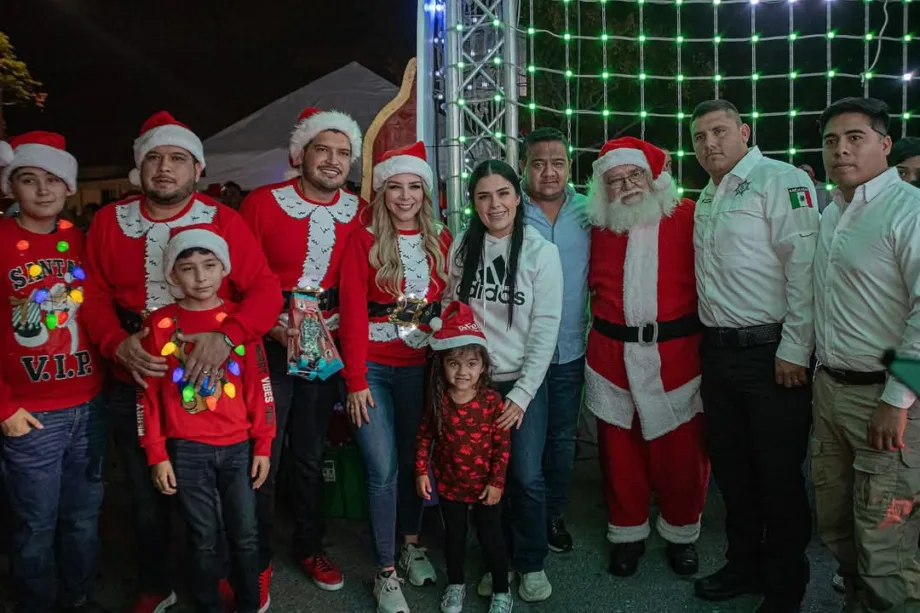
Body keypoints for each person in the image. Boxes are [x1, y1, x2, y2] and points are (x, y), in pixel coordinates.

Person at [82, 111, 282, 613]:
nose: (165, 168)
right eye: (154, 158)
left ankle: (237, 573)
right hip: (140, 370)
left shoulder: (224, 220)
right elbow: (92, 294)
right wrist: (114, 343)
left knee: (232, 491)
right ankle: (156, 581)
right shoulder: (108, 221)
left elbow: (264, 290)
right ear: (138, 169)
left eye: (177, 159)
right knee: (147, 489)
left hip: (214, 375)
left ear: (197, 169)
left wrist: (227, 336)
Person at [690, 99, 819, 613]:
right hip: (718, 355)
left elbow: (805, 270)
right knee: (733, 472)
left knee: (778, 475)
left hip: (772, 354)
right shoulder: (706, 192)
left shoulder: (781, 179)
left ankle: (786, 587)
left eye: (719, 131)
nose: (709, 144)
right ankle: (743, 565)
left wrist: (794, 349)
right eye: (699, 137)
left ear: (745, 131)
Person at [238, 106, 365, 596]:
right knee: (262, 450)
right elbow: (242, 276)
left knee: (310, 454)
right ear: (302, 153)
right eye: (323, 150)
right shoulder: (263, 203)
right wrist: (272, 328)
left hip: (324, 341)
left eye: (342, 153)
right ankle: (257, 556)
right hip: (271, 341)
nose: (333, 161)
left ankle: (310, 544)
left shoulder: (359, 209)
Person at [582, 137, 708, 578]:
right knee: (620, 453)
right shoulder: (595, 225)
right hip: (610, 356)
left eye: (634, 175)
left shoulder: (690, 216)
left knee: (682, 454)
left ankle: (681, 533)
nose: (627, 185)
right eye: (615, 180)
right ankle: (627, 532)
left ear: (654, 176)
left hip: (677, 356)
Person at [813, 97, 920, 613]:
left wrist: (897, 398)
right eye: (832, 141)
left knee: (887, 541)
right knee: (836, 523)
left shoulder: (908, 211)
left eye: (855, 138)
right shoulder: (834, 213)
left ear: (884, 144)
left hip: (886, 399)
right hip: (830, 390)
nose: (841, 150)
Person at [137, 224, 276, 613]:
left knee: (246, 535)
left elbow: (260, 388)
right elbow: (147, 394)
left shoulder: (238, 322)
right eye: (188, 268)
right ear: (172, 275)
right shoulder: (160, 325)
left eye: (209, 265)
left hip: (238, 448)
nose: (200, 277)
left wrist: (263, 444)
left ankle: (250, 604)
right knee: (202, 537)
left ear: (224, 269)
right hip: (186, 450)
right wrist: (156, 453)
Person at [338, 142, 450, 613]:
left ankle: (409, 543)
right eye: (395, 187)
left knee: (413, 463)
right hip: (374, 372)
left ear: (425, 192)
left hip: (421, 370)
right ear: (382, 192)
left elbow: (442, 307)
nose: (405, 196)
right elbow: (350, 312)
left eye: (414, 187)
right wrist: (356, 380)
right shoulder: (361, 240)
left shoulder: (440, 240)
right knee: (382, 469)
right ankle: (385, 572)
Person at [445, 159, 563, 603]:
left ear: (518, 196)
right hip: (471, 385)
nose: (494, 204)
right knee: (478, 478)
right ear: (473, 203)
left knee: (526, 476)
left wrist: (523, 393)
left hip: (522, 382)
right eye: (482, 196)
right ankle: (499, 561)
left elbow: (545, 328)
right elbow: (452, 314)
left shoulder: (540, 252)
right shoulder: (463, 246)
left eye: (502, 194)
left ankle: (529, 561)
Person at [0, 132, 107, 613]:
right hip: (31, 416)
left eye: (52, 180)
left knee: (83, 518)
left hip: (90, 405)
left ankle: (78, 599)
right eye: (28, 179)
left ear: (67, 186)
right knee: (34, 524)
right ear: (11, 187)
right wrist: (4, 407)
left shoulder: (82, 241)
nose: (42, 190)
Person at [415, 301, 512, 613]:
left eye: (471, 364)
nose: (463, 372)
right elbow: (424, 437)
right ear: (443, 365)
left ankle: (501, 590)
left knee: (491, 540)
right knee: (454, 538)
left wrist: (497, 483)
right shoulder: (438, 401)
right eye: (454, 363)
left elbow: (502, 445)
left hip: (486, 487)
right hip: (449, 486)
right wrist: (420, 472)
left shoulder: (492, 402)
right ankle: (455, 584)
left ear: (483, 366)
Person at [519, 127, 589, 553]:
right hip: (520, 351)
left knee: (563, 437)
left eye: (558, 162)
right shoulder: (508, 208)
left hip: (569, 349)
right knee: (525, 437)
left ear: (569, 166)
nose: (549, 171)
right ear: (525, 166)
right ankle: (521, 514)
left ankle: (553, 514)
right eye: (539, 162)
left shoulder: (588, 211)